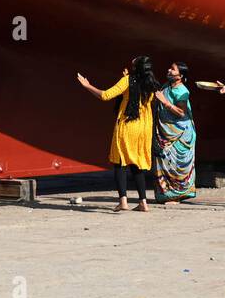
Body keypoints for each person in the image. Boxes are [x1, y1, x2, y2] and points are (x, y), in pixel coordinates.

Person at [77, 55, 158, 212]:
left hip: (128, 126)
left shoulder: (128, 80)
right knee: (137, 164)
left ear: (135, 68)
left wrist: (87, 85)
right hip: (143, 128)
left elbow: (105, 95)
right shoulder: (151, 83)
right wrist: (126, 78)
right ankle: (143, 202)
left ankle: (123, 201)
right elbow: (138, 94)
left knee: (120, 162)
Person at [153, 62, 196, 203]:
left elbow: (181, 112)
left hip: (180, 134)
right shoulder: (167, 85)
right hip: (166, 133)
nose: (169, 70)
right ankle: (167, 194)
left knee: (177, 164)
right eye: (170, 67)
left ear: (180, 76)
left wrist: (165, 102)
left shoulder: (182, 91)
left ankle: (178, 194)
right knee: (165, 162)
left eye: (173, 69)